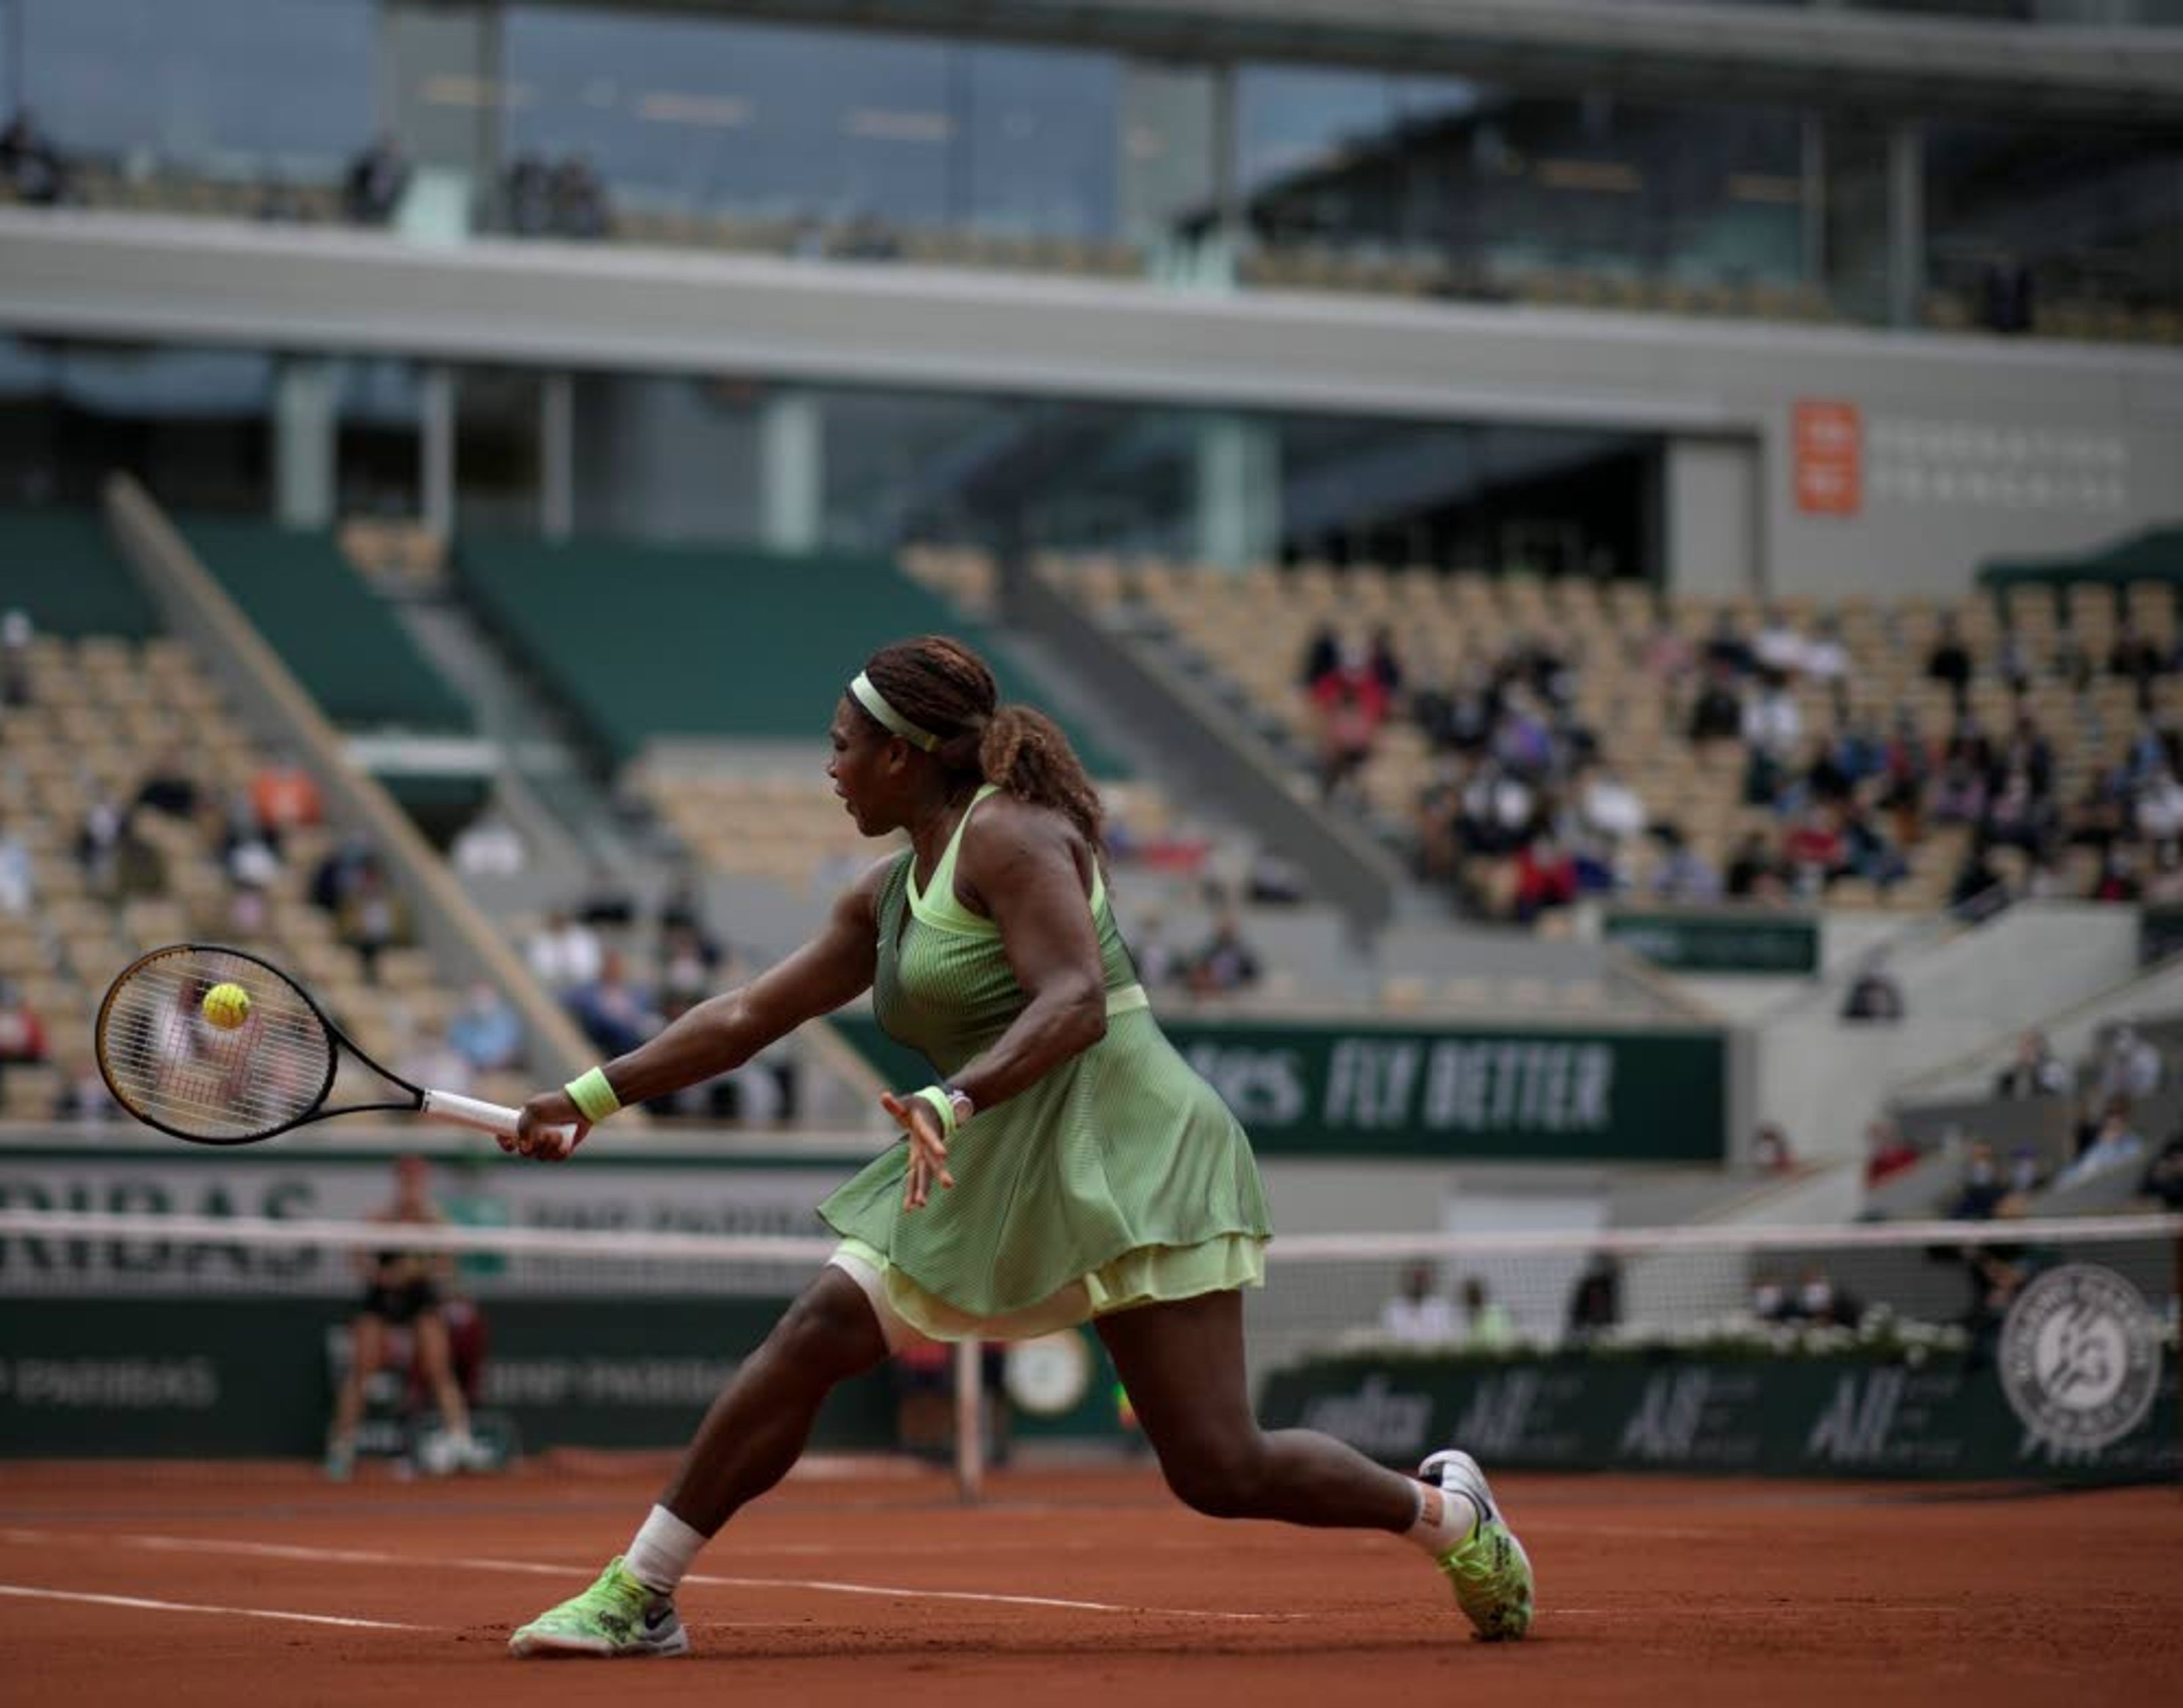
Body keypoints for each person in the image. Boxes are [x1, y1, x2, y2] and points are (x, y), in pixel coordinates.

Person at [497, 636, 1534, 1657]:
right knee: (817, 1329)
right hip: (990, 1131)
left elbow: (1078, 1000)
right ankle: (643, 1591)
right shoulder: (887, 895)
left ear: (901, 754)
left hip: (1130, 1136)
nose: (829, 767)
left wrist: (958, 1095)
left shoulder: (1015, 838)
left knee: (1218, 1466)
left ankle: (1448, 1518)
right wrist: (591, 1093)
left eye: (842, 743)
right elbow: (748, 1014)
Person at [324, 1156, 481, 1480]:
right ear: (398, 1182)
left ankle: (461, 1441)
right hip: (381, 1299)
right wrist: (382, 1276)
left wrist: (416, 1270)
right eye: (406, 1180)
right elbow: (356, 1255)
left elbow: (447, 1265)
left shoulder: (434, 1221)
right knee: (361, 1369)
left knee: (439, 1369)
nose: (411, 1187)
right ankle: (342, 1447)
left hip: (420, 1297)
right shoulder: (380, 1218)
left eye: (417, 1181)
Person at [1993, 1030, 2072, 1100]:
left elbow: (2053, 1095)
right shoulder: (2008, 1077)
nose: (2026, 1050)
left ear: (2042, 1048)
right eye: (2022, 1046)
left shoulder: (2053, 1070)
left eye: (2031, 1045)